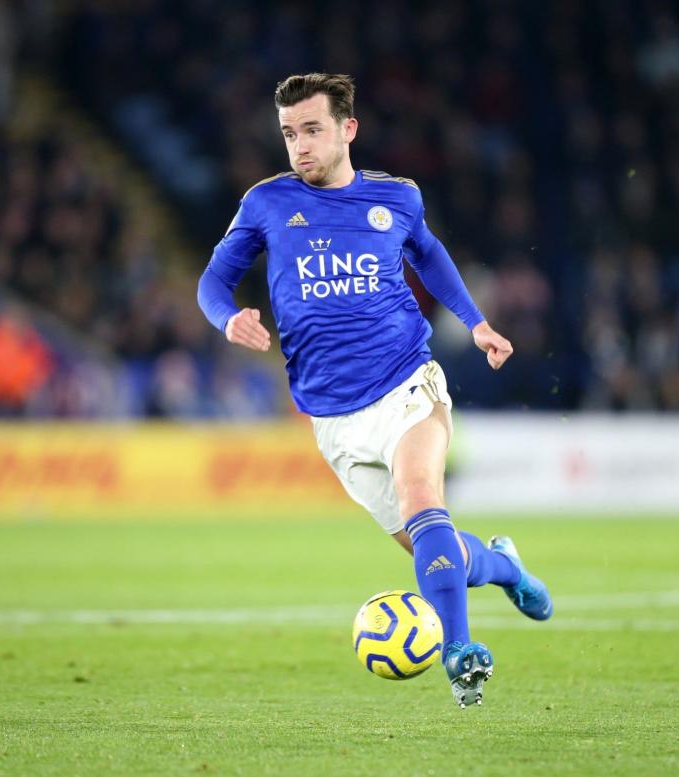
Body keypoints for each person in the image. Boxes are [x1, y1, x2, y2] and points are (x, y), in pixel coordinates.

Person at [197, 73, 551, 707]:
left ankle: (460, 652)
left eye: (311, 130)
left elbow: (431, 256)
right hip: (332, 418)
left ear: (347, 129)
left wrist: (477, 324)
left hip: (406, 382)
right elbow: (212, 283)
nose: (298, 146)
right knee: (434, 551)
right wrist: (230, 317)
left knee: (422, 497)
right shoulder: (266, 205)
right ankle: (504, 567)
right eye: (288, 134)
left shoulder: (397, 198)